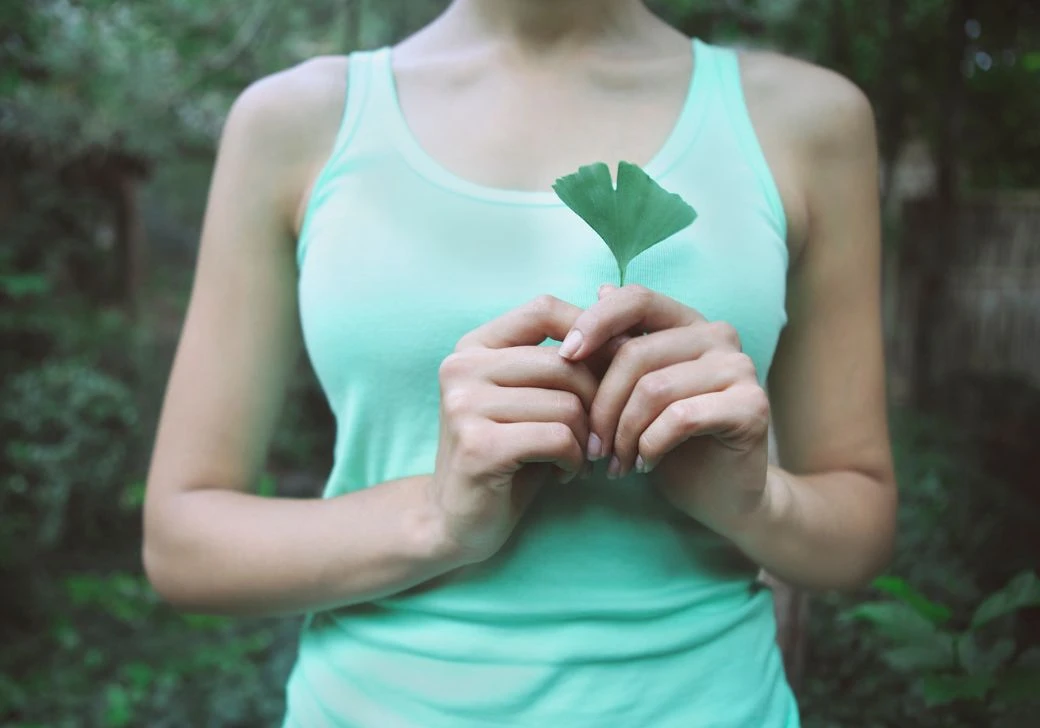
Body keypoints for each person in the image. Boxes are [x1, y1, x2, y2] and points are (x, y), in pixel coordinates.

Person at [142, 0, 897, 725]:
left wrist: (753, 499)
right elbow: (183, 543)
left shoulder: (807, 121)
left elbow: (859, 528)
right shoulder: (295, 121)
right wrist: (433, 519)